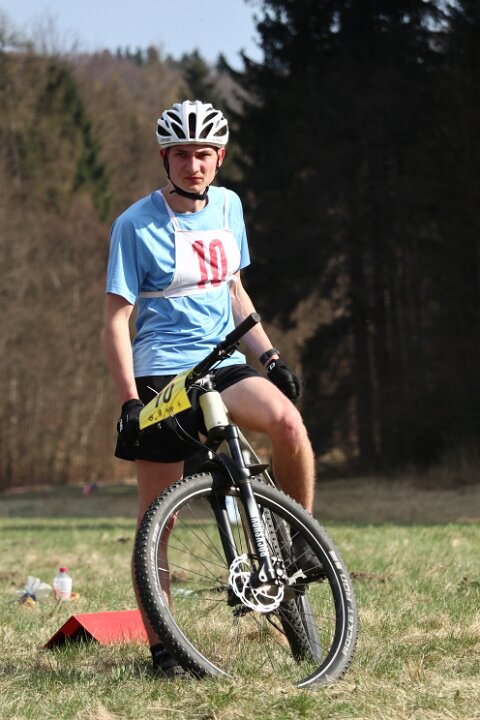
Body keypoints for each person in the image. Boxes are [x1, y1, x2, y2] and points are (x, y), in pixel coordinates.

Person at [104, 100, 316, 677]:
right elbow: (116, 321)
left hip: (223, 361)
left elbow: (234, 290)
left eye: (203, 154)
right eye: (181, 155)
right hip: (163, 375)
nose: (193, 165)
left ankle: (300, 539)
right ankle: (163, 649)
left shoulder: (228, 207)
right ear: (165, 158)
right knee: (159, 520)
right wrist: (129, 401)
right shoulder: (133, 225)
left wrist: (269, 357)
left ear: (219, 158)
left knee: (288, 423)